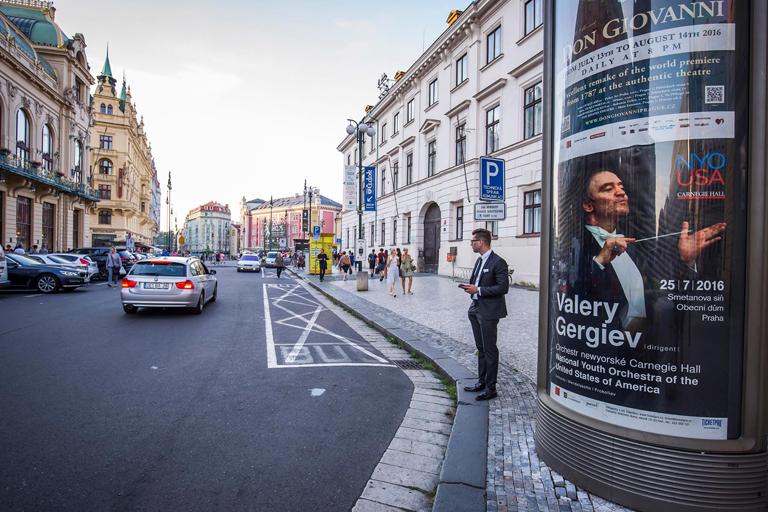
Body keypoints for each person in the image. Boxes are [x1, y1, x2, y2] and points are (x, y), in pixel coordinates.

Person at [576, 169, 726, 329]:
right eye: (608, 188)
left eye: (621, 187)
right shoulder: (576, 242)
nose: (620, 193)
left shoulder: (633, 242)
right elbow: (574, 296)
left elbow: (661, 289)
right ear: (588, 205)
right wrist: (599, 261)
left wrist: (686, 261)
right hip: (604, 342)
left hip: (641, 345)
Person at [460, 228, 509, 401]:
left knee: (489, 349)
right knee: (480, 349)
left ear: (481, 242)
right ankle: (481, 381)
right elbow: (476, 282)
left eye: (473, 241)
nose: (471, 244)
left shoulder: (498, 262)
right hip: (475, 308)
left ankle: (491, 388)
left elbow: (503, 288)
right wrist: (471, 287)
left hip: (489, 311)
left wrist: (478, 290)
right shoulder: (480, 261)